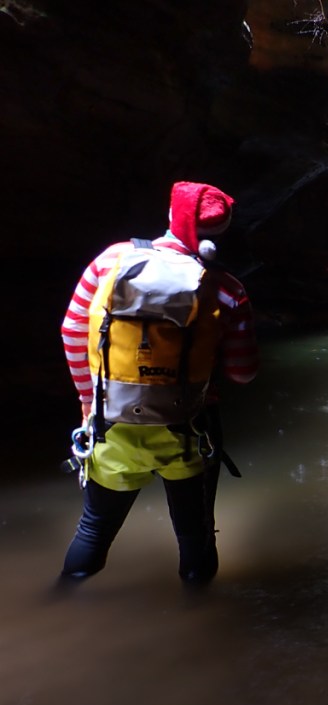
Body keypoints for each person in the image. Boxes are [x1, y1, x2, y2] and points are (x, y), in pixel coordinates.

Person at [58, 180, 259, 588]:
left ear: (170, 216)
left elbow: (72, 329)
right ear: (220, 234)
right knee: (196, 536)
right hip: (189, 429)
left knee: (94, 529)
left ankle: (61, 599)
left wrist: (87, 399)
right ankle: (199, 609)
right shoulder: (227, 289)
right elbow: (243, 372)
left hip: (112, 423)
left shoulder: (112, 260)